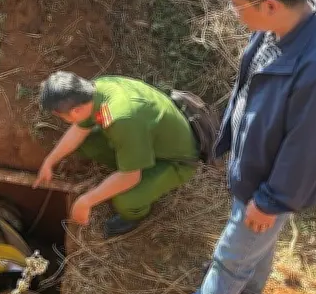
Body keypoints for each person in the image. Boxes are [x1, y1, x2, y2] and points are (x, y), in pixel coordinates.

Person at [138, 0, 316, 294]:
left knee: (229, 261)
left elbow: (309, 148)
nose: (235, 15)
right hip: (256, 170)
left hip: (270, 183)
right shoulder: (279, 28)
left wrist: (272, 200)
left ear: (271, 4)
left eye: (239, 7)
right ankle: (253, 286)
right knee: (260, 234)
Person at [32, 72, 199, 238]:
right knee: (88, 142)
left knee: (125, 199)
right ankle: (129, 160)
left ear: (76, 111)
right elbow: (79, 130)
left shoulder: (122, 119)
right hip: (146, 137)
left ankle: (134, 215)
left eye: (62, 117)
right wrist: (49, 161)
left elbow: (131, 177)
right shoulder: (95, 91)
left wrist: (86, 201)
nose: (65, 121)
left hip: (174, 160)